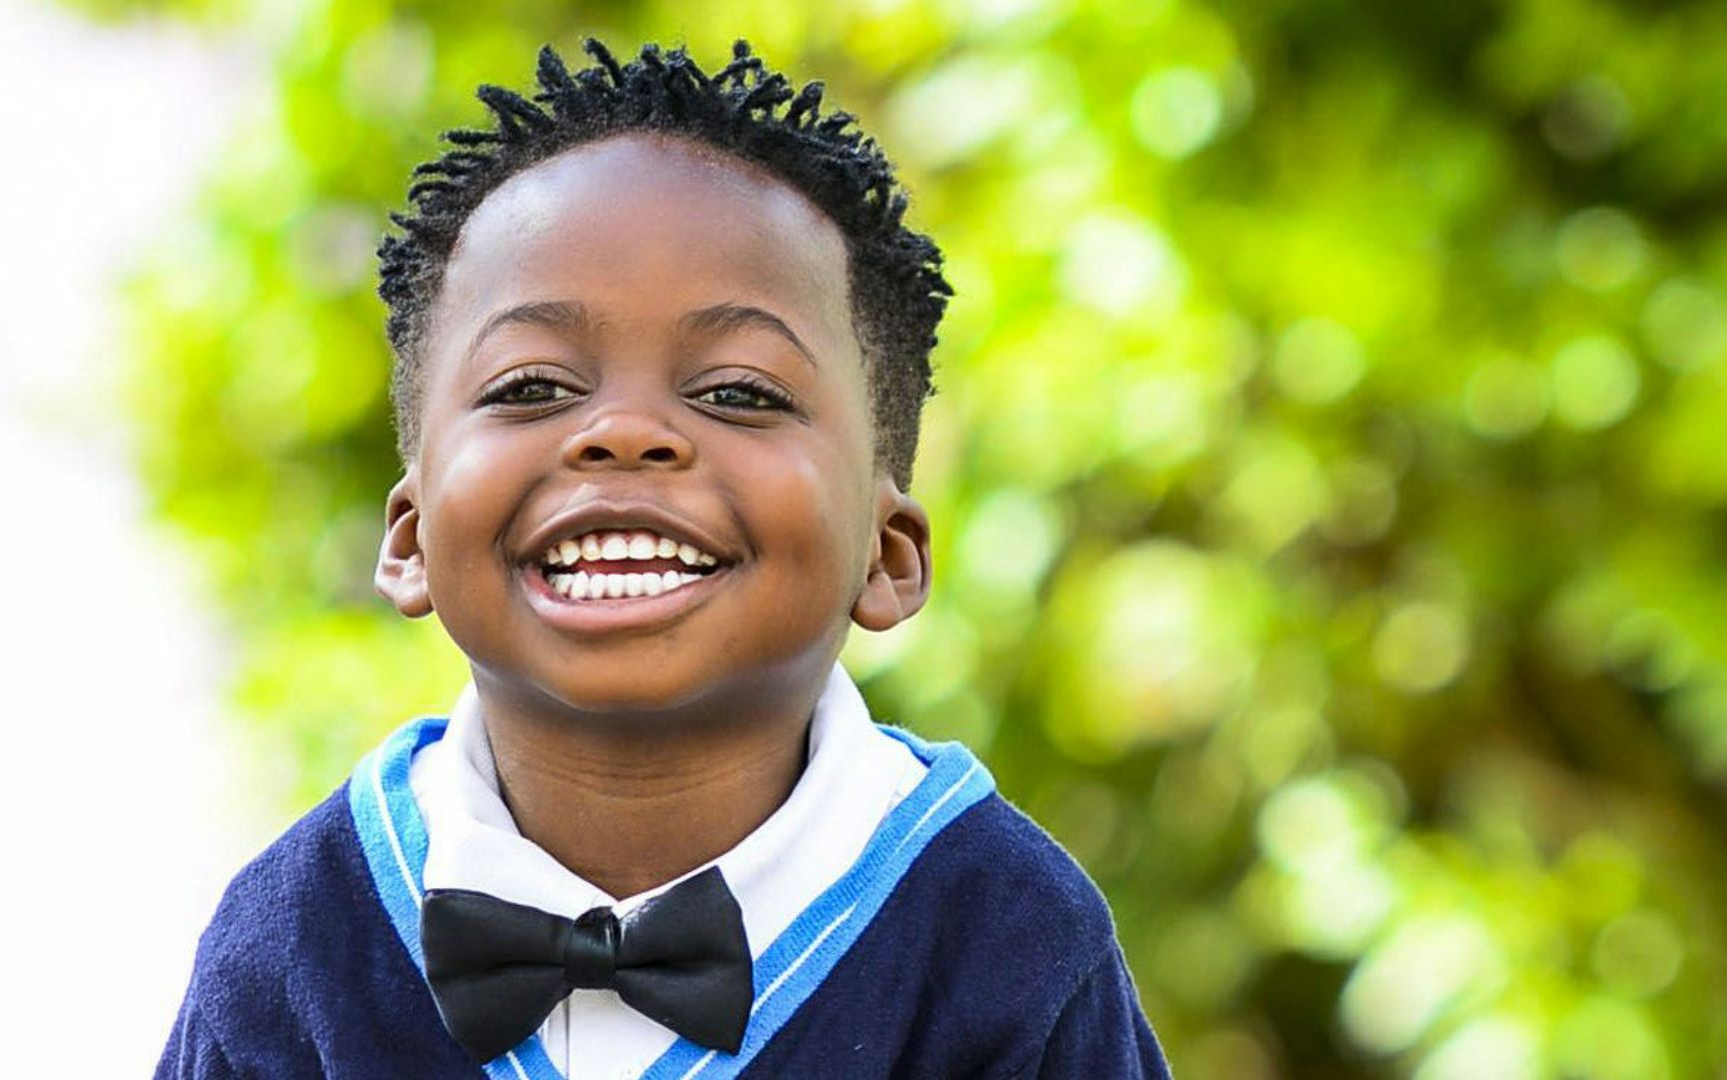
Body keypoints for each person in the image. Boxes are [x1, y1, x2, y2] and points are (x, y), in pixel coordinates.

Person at [157, 37, 1172, 1080]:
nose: (627, 433)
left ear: (888, 555)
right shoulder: (297, 940)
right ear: (410, 538)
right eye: (532, 387)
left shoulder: (1006, 937)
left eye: (740, 392)